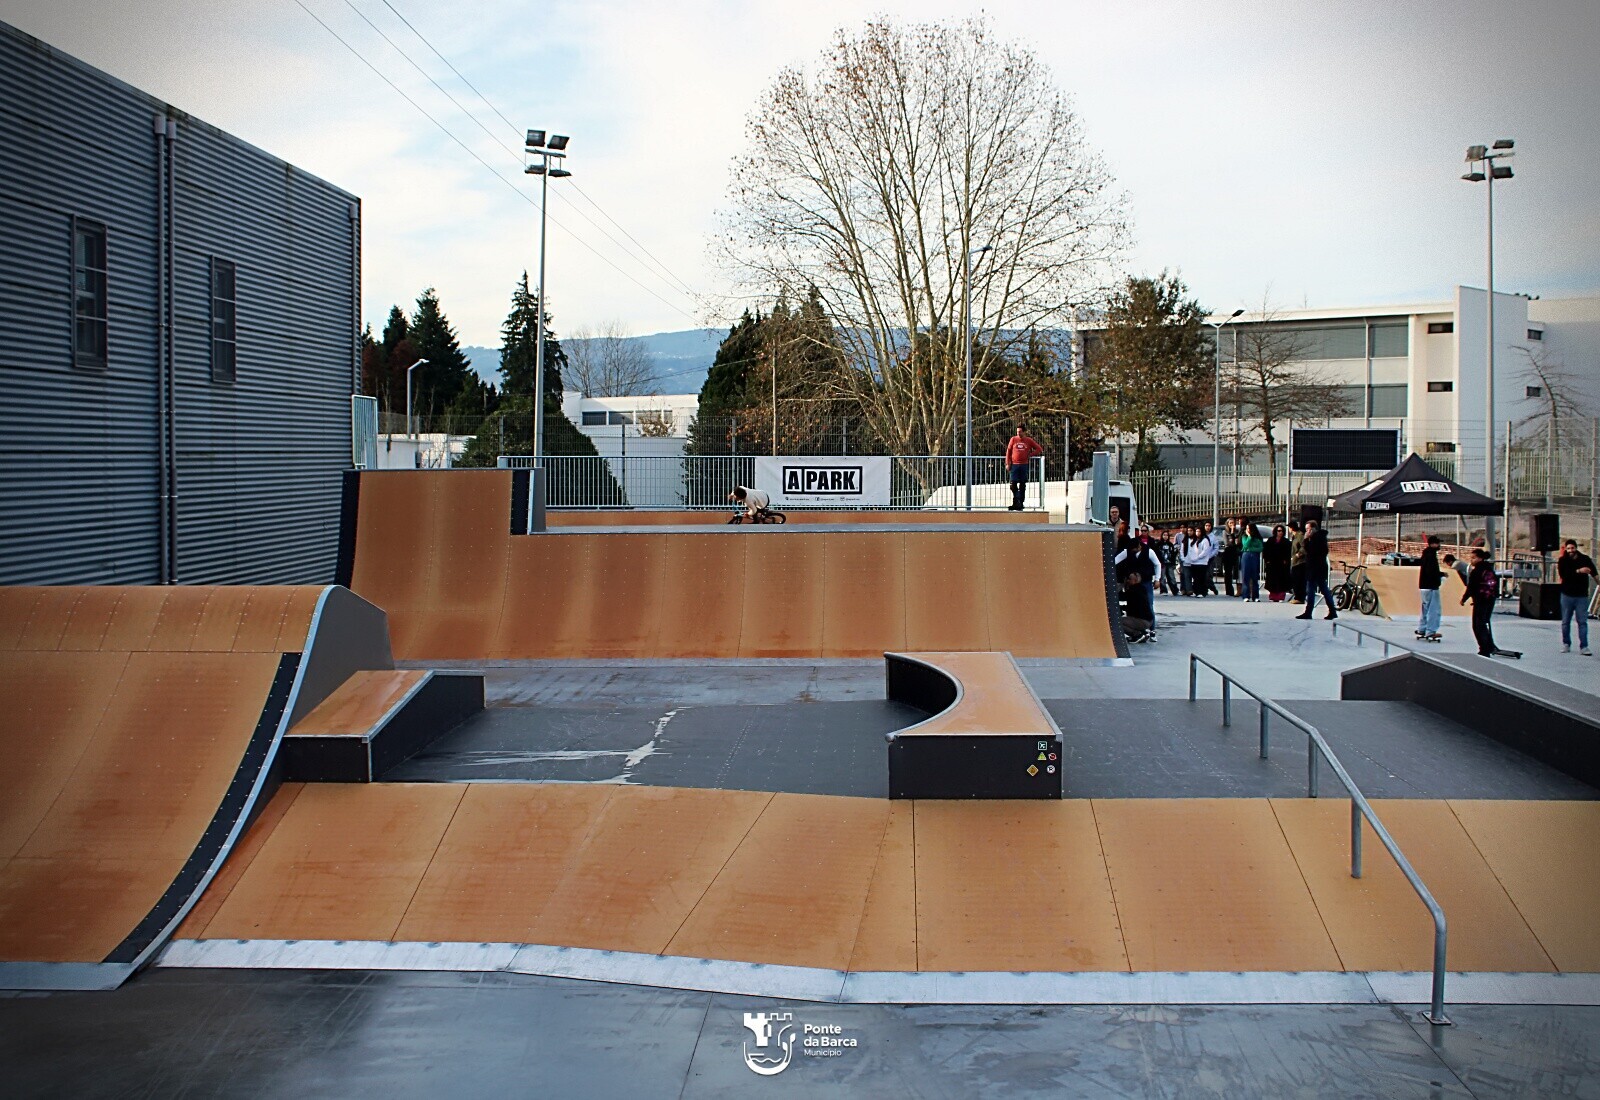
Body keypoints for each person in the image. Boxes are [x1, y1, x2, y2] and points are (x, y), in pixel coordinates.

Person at [1557, 538, 1597, 655]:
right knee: (1565, 621)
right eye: (1568, 548)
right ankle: (1566, 644)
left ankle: (1584, 646)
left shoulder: (1585, 559)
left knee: (1582, 622)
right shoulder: (1563, 561)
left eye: (1572, 548)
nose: (1570, 551)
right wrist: (1579, 571)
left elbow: (1594, 573)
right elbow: (1564, 574)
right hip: (1567, 595)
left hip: (1581, 596)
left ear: (1576, 548)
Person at [1460, 546, 1500, 657]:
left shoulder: (1477, 571)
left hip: (1480, 600)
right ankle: (1489, 645)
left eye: (1473, 558)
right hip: (1490, 599)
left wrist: (1464, 599)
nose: (1471, 560)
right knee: (1484, 623)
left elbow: (1471, 587)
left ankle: (1484, 648)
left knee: (1478, 625)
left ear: (1480, 558)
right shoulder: (1489, 569)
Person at [1295, 518, 1337, 620]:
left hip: (1317, 569)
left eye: (1308, 529)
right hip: (1313, 568)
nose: (1306, 531)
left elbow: (1312, 551)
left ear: (1313, 529)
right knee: (1314, 590)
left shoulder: (1318, 538)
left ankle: (1329, 610)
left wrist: (1305, 540)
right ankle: (1311, 611)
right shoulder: (1315, 538)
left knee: (1316, 590)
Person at [1005, 425, 1043, 511]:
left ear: (1024, 432)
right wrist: (1008, 463)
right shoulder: (1013, 439)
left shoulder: (1028, 440)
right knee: (1013, 484)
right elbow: (1008, 451)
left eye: (1020, 431)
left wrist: (1030, 455)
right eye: (1017, 431)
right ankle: (1016, 501)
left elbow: (1039, 449)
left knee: (1022, 484)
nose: (1018, 433)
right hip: (1014, 464)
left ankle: (1020, 503)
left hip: (1024, 465)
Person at [1416, 534, 1444, 641]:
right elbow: (1431, 571)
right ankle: (1431, 631)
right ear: (1433, 544)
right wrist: (1439, 576)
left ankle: (1422, 628)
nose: (1439, 545)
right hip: (1431, 586)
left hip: (1423, 586)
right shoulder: (1431, 555)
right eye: (1438, 543)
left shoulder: (1425, 554)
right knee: (1434, 609)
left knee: (1425, 608)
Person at [1121, 571, 1154, 643]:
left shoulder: (1133, 591)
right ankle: (1144, 633)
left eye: (1129, 579)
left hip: (1142, 620)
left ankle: (1137, 635)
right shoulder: (1142, 588)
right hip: (1148, 619)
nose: (1128, 581)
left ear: (1135, 581)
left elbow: (1122, 597)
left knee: (1117, 622)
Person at [1263, 524, 1292, 602]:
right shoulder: (1271, 540)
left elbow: (1288, 552)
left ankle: (1281, 597)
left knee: (1281, 580)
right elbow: (1266, 551)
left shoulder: (1286, 542)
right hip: (1272, 563)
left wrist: (1286, 560)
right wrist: (1267, 560)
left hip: (1281, 564)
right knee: (1272, 580)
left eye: (1282, 531)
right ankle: (1272, 596)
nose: (1280, 532)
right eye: (1279, 531)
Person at [1238, 520, 1264, 602]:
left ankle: (1255, 596)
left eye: (1249, 528)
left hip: (1255, 556)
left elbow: (1260, 548)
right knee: (1246, 576)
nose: (1247, 530)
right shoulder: (1244, 536)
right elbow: (1245, 545)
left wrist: (1251, 548)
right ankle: (1246, 595)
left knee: (1255, 576)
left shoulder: (1258, 538)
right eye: (1246, 528)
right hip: (1246, 556)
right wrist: (1249, 537)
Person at [1182, 526, 1211, 596]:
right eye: (1196, 531)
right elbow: (1191, 551)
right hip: (1194, 562)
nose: (1197, 533)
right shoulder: (1194, 540)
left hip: (1202, 562)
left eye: (1199, 531)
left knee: (1201, 578)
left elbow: (1205, 551)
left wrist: (1198, 557)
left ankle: (1202, 592)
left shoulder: (1205, 540)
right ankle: (1197, 591)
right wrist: (1191, 558)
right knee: (1196, 578)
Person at [1220, 518, 1242, 597]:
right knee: (1228, 573)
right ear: (1228, 524)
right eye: (1230, 523)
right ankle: (1229, 591)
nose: (1232, 524)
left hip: (1235, 553)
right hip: (1228, 553)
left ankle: (1239, 590)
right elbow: (1227, 543)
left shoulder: (1238, 531)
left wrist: (1234, 540)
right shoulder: (1225, 532)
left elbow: (1238, 543)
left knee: (1237, 573)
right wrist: (1232, 534)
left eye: (1234, 523)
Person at [1288, 520, 1307, 604]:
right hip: (1295, 562)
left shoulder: (1300, 536)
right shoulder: (1294, 536)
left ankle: (1299, 597)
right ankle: (1297, 596)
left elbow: (1304, 546)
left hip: (1300, 562)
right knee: (1295, 580)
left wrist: (1298, 555)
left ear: (1291, 528)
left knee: (1299, 581)